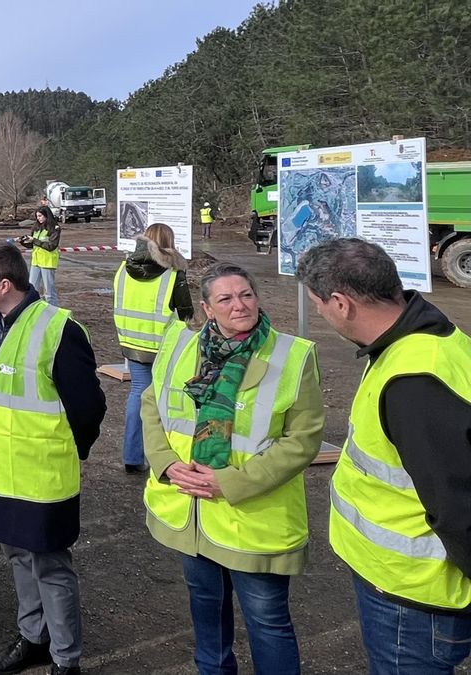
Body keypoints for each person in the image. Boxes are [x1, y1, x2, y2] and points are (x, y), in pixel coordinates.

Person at [296, 238, 471, 674]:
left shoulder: (413, 380)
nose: (317, 312)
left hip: (416, 597)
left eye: (317, 303)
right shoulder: (426, 339)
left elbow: (458, 504)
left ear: (341, 303)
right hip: (407, 587)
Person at [142, 261, 323, 675]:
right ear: (207, 308)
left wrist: (233, 482)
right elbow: (153, 404)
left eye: (246, 295)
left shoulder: (292, 356)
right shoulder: (181, 348)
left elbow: (303, 440)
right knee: (206, 615)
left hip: (253, 521)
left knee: (268, 623)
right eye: (225, 298)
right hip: (192, 514)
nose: (239, 305)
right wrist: (166, 463)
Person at [0, 242, 106, 675]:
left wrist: (70, 449)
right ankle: (33, 638)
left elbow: (88, 407)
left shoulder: (58, 329)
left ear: (4, 285)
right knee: (18, 559)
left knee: (50, 566)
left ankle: (66, 659)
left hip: (42, 475)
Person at [112, 223, 194, 474]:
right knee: (168, 399)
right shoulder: (173, 273)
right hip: (164, 346)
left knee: (138, 393)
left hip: (131, 342)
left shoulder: (123, 269)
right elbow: (186, 312)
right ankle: (167, 455)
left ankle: (132, 455)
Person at [17, 205, 61, 304]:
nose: (38, 218)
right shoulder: (36, 228)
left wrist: (35, 240)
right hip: (36, 262)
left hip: (47, 262)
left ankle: (53, 310)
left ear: (47, 215)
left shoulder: (55, 228)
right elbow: (33, 245)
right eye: (37, 216)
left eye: (40, 216)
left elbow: (51, 246)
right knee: (32, 288)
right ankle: (32, 309)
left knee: (49, 291)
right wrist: (23, 241)